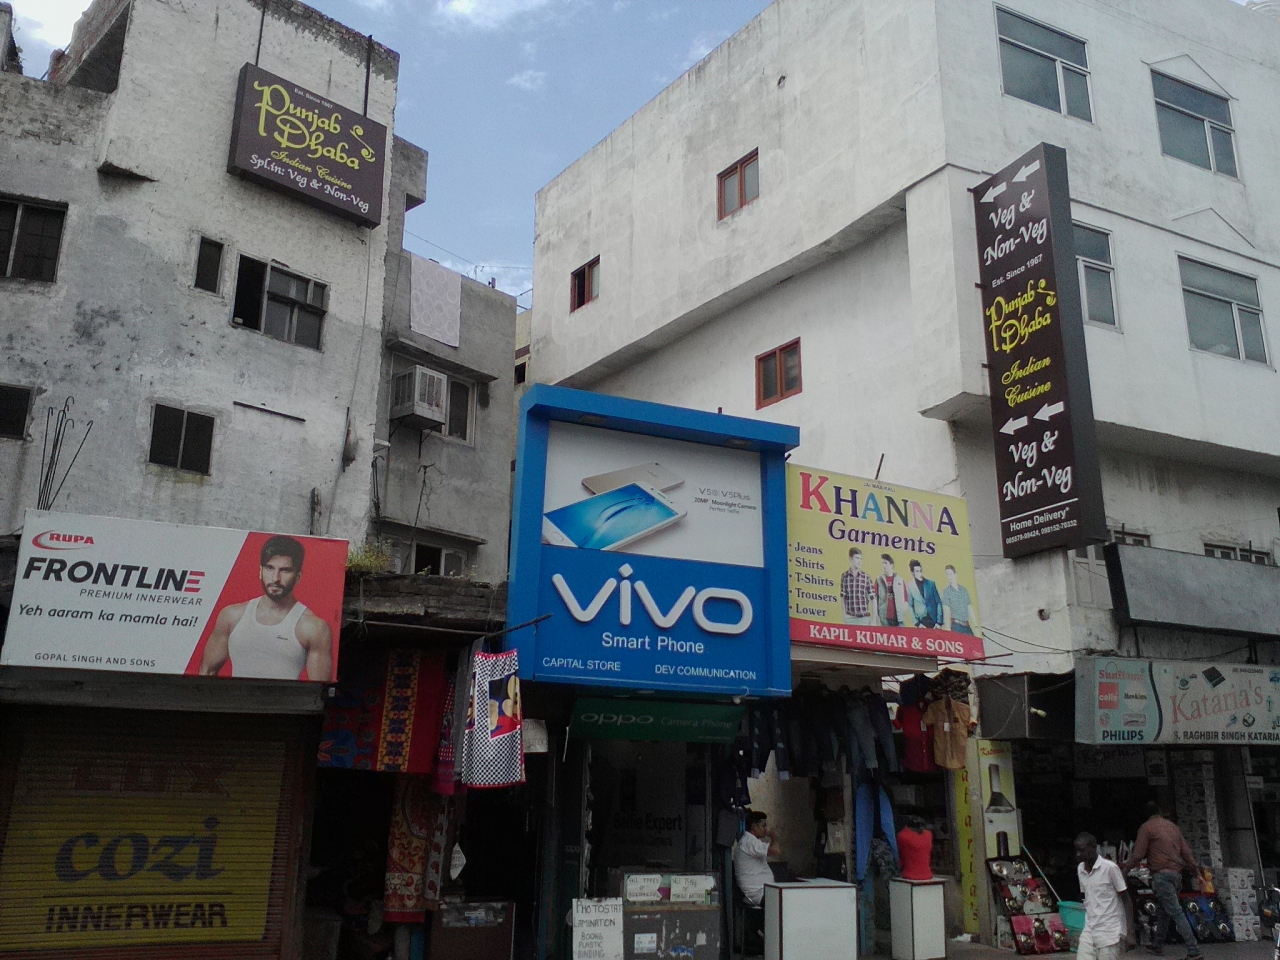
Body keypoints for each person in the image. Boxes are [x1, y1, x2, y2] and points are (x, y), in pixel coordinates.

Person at [200, 535, 333, 680]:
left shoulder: (313, 627)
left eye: (285, 570)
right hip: (236, 696)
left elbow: (318, 689)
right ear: (260, 571)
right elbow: (207, 673)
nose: (275, 578)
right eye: (269, 568)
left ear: (298, 576)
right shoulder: (232, 616)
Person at [1121, 802, 1202, 959]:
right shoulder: (1173, 827)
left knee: (1176, 912)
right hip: (1177, 875)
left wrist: (1125, 870)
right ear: (1159, 812)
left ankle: (1193, 951)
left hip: (1162, 875)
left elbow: (1138, 854)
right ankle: (1157, 945)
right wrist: (1196, 872)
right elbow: (1186, 853)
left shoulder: (1147, 828)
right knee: (1163, 911)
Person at [1075, 831, 1128, 960]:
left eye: (1082, 850)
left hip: (1109, 932)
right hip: (1089, 930)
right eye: (1077, 851)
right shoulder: (1080, 869)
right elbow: (1086, 896)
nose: (1078, 854)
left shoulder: (1110, 868)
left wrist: (1130, 934)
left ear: (1093, 847)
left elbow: (1126, 899)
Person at [733, 811, 780, 907]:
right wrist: (773, 836)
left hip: (762, 890)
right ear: (754, 826)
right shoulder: (749, 841)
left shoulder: (752, 841)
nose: (765, 829)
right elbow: (775, 851)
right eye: (763, 826)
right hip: (757, 893)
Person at [840, 547, 877, 626]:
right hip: (850, 618)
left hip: (864, 618)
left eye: (861, 559)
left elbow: (873, 599)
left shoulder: (866, 577)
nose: (859, 561)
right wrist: (844, 617)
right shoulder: (844, 576)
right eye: (857, 558)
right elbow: (842, 598)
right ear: (850, 559)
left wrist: (873, 620)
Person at [875, 554, 912, 628]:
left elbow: (905, 598)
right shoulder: (879, 580)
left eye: (886, 563)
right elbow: (875, 599)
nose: (884, 565)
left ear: (891, 565)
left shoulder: (900, 580)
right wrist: (877, 618)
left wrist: (903, 610)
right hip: (884, 619)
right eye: (882, 563)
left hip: (898, 619)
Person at [906, 559, 943, 628]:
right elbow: (910, 605)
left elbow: (938, 602)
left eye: (920, 571)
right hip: (921, 621)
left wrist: (939, 622)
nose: (919, 573)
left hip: (933, 620)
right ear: (912, 572)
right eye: (917, 571)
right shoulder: (910, 586)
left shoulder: (931, 583)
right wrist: (917, 623)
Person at [941, 565, 975, 634]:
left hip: (966, 625)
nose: (949, 576)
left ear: (955, 574)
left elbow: (969, 607)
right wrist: (948, 629)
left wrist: (976, 625)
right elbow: (946, 611)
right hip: (956, 626)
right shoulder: (946, 591)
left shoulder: (963, 590)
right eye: (947, 574)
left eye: (951, 574)